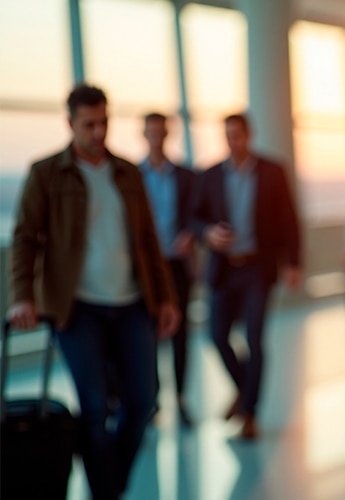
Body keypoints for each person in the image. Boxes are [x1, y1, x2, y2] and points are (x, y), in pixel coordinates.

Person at [6, 84, 180, 499]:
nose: (99, 132)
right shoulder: (46, 173)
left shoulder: (127, 172)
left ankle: (109, 482)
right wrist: (22, 295)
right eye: (89, 125)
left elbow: (148, 240)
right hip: (77, 309)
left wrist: (167, 297)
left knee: (143, 402)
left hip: (132, 303)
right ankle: (107, 490)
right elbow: (25, 237)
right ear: (70, 124)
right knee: (96, 405)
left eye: (104, 122)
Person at [191, 113, 302, 439]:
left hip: (257, 267)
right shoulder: (210, 175)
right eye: (228, 136)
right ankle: (244, 389)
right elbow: (194, 218)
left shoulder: (272, 172)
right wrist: (208, 233)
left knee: (255, 339)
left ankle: (250, 412)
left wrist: (293, 263)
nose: (233, 142)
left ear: (249, 135)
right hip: (224, 268)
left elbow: (289, 220)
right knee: (216, 334)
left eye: (237, 135)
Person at [140, 112, 198, 426]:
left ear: (168, 134)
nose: (156, 138)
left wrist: (189, 233)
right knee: (148, 333)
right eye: (151, 132)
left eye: (161, 132)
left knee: (180, 332)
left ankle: (180, 398)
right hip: (148, 267)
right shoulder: (134, 176)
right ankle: (154, 398)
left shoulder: (185, 176)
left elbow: (196, 214)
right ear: (144, 135)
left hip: (177, 264)